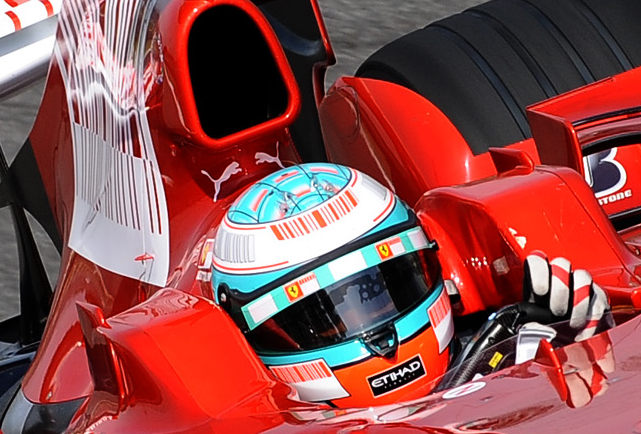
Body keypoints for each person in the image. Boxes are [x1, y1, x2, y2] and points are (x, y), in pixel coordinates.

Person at [210, 162, 607, 408]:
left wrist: (588, 338)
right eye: (327, 316)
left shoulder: (508, 345)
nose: (382, 340)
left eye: (386, 287)